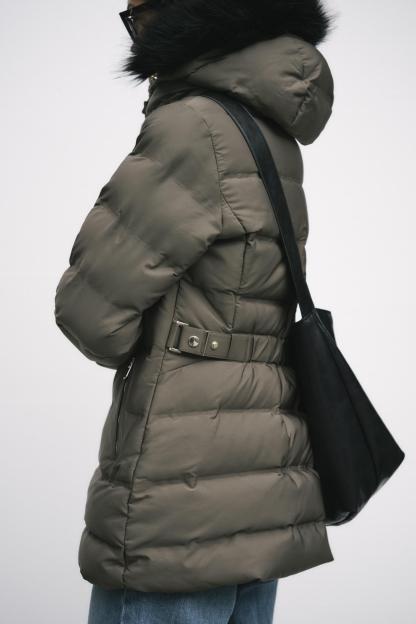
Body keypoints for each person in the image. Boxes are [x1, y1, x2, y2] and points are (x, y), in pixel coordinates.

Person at [54, 1, 336, 622]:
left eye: (137, 14)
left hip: (180, 488)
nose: (136, 28)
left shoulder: (193, 127)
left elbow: (91, 316)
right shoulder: (268, 126)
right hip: (264, 470)